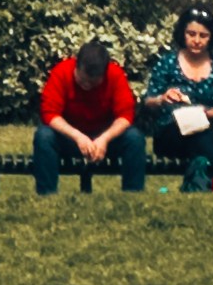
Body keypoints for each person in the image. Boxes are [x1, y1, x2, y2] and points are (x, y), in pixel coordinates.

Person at [141, 5, 213, 191]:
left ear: (211, 38)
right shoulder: (167, 62)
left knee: (200, 125)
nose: (196, 40)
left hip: (210, 131)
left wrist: (206, 113)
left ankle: (198, 185)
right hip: (171, 134)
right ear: (182, 34)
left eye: (203, 36)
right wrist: (163, 98)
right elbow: (148, 101)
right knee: (196, 128)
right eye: (191, 34)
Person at [34, 36, 146, 193]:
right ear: (76, 66)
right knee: (44, 136)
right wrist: (77, 136)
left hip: (104, 137)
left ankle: (133, 194)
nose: (86, 85)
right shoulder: (62, 72)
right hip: (70, 137)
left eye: (93, 83)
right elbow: (50, 113)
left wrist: (105, 139)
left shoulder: (115, 75)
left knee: (134, 138)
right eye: (82, 80)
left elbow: (126, 116)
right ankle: (46, 195)